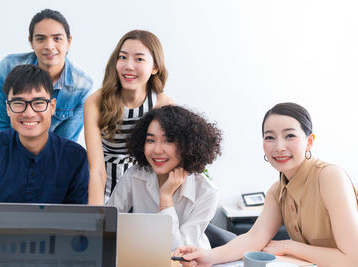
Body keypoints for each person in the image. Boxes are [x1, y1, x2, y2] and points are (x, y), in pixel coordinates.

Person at [175, 102, 358, 267]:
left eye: (290, 136)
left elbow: (352, 259)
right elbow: (254, 238)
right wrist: (207, 256)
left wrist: (290, 246)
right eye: (270, 137)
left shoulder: (330, 177)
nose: (279, 147)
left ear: (309, 142)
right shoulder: (277, 191)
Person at [0, 65, 89, 246]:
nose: (28, 112)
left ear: (52, 106)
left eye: (38, 103)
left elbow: (82, 231)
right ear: (8, 108)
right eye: (19, 103)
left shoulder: (75, 158)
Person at [107, 105, 222, 250]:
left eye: (168, 140)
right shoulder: (134, 176)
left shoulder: (207, 192)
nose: (156, 150)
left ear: (188, 144)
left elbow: (179, 252)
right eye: (150, 140)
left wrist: (166, 198)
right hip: (143, 257)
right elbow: (108, 223)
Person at [84, 30, 173, 205]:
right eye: (123, 57)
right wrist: (98, 217)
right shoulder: (95, 102)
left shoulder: (163, 105)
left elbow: (167, 164)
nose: (128, 66)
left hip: (147, 188)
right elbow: (97, 170)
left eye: (139, 59)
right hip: (105, 187)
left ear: (155, 67)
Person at [0, 9, 93, 142]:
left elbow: (64, 144)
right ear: (31, 42)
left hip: (50, 157)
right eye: (41, 39)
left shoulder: (82, 87)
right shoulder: (8, 68)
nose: (49, 46)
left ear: (69, 41)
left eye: (57, 38)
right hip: (9, 151)